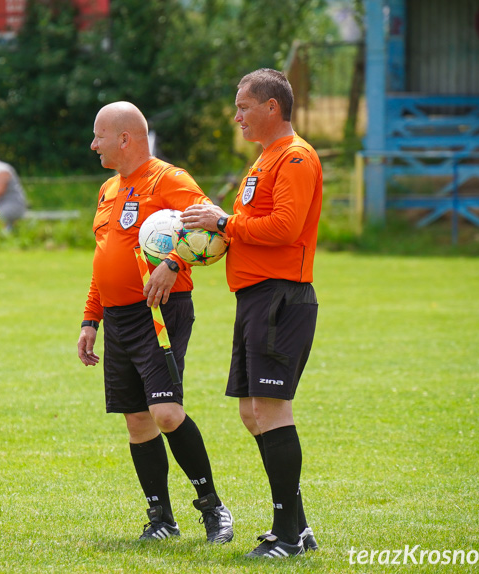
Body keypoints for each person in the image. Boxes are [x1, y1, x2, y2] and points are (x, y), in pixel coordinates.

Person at [181, 68, 323, 559]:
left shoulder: (296, 156)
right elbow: (252, 224)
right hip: (255, 300)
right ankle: (298, 527)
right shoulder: (265, 159)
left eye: (244, 106)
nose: (237, 115)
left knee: (271, 410)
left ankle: (287, 536)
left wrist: (222, 221)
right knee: (251, 412)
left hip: (282, 297)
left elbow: (285, 228)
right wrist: (219, 232)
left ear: (272, 108)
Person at [77, 101, 234, 544]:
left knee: (165, 412)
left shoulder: (169, 179)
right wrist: (92, 318)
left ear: (124, 138)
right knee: (137, 421)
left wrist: (171, 261)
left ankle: (213, 508)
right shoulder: (109, 189)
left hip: (159, 313)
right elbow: (103, 259)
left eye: (99, 135)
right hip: (119, 318)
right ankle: (161, 519)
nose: (93, 144)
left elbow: (213, 228)